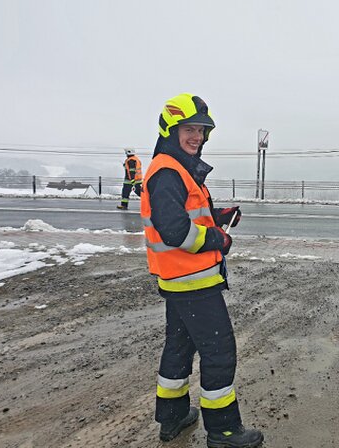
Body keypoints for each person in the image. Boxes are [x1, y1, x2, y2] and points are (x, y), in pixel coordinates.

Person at [140, 93, 263, 447]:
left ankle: (173, 417)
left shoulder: (174, 167)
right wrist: (218, 239)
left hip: (180, 280)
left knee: (179, 348)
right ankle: (224, 431)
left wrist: (218, 216)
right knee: (219, 352)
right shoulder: (168, 171)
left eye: (201, 130)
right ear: (170, 131)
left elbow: (185, 215)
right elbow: (175, 230)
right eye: (189, 129)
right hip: (192, 282)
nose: (197, 136)